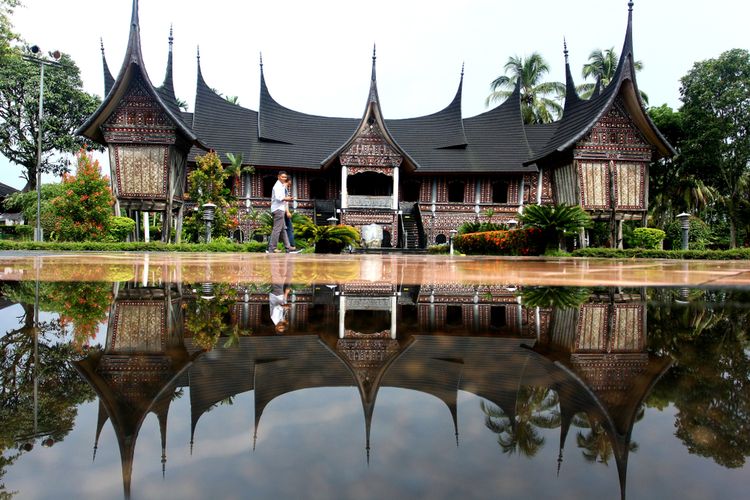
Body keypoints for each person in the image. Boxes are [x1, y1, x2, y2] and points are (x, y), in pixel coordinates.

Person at [267, 171, 295, 253]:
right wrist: (288, 198)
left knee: (283, 229)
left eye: (285, 177)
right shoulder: (278, 186)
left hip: (280, 209)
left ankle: (288, 246)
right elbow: (279, 198)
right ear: (278, 177)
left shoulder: (281, 186)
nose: (284, 179)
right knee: (277, 229)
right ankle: (272, 248)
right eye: (282, 177)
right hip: (278, 209)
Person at [284, 179, 296, 249]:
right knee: (289, 228)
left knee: (278, 230)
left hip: (282, 211)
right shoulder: (284, 189)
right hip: (284, 211)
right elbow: (285, 202)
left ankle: (290, 247)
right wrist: (287, 211)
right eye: (289, 183)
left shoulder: (284, 189)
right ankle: (291, 246)